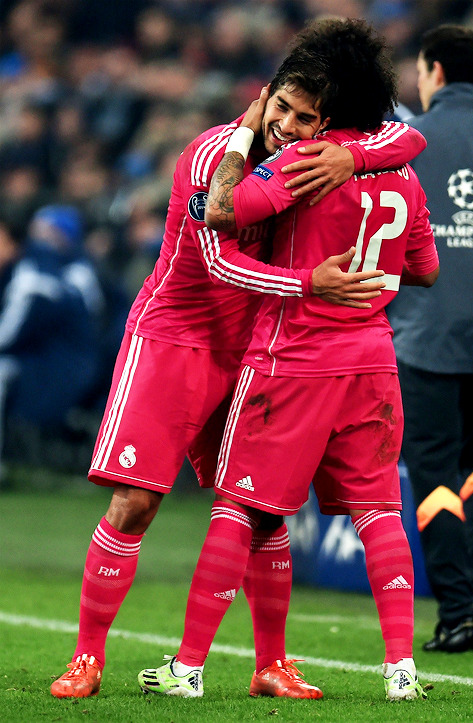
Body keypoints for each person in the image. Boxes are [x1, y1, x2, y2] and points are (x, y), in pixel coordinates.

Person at [50, 19, 427, 700]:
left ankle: (270, 662)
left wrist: (353, 158)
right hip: (173, 337)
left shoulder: (309, 163)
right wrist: (312, 284)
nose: (287, 123)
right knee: (135, 503)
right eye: (279, 107)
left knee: (261, 507)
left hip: (250, 349)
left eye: (304, 117)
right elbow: (221, 261)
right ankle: (87, 656)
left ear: (324, 124)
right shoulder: (212, 156)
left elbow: (403, 134)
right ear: (263, 98)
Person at [387, 24, 473, 653]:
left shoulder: (405, 145)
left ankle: (457, 612)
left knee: (433, 472)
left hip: (424, 336)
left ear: (431, 71)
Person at [0, 209, 101, 476]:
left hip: (58, 369)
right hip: (50, 361)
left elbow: (11, 333)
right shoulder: (37, 269)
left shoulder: (36, 277)